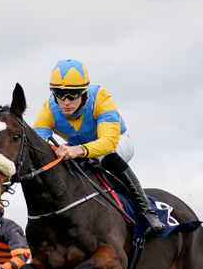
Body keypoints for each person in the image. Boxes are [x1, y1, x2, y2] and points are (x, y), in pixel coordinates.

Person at [32, 59, 166, 237]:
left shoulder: (101, 97)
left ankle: (147, 211)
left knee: (106, 157)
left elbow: (108, 143)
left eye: (72, 94)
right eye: (59, 93)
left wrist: (77, 150)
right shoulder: (48, 107)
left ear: (84, 92)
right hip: (78, 147)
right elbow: (38, 145)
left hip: (117, 142)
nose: (65, 101)